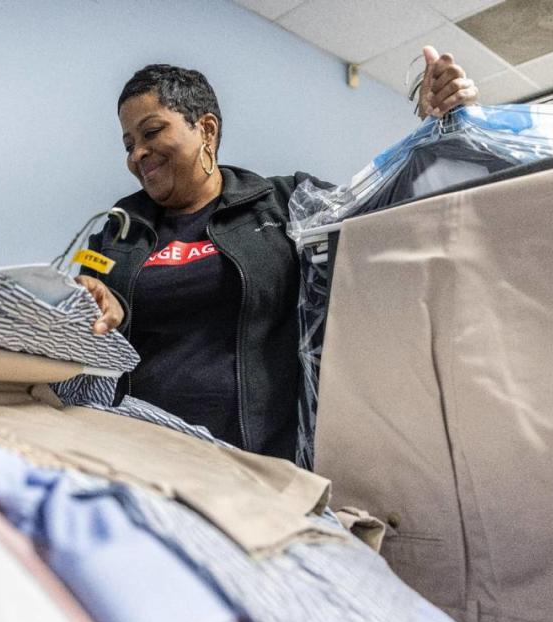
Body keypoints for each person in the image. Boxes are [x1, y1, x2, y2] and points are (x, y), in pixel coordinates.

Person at [77, 46, 479, 461]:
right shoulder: (118, 228)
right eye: (129, 143)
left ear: (207, 129)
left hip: (261, 462)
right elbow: (86, 290)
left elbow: (390, 210)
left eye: (152, 131)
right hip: (139, 454)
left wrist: (441, 130)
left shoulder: (287, 202)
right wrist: (85, 296)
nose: (137, 153)